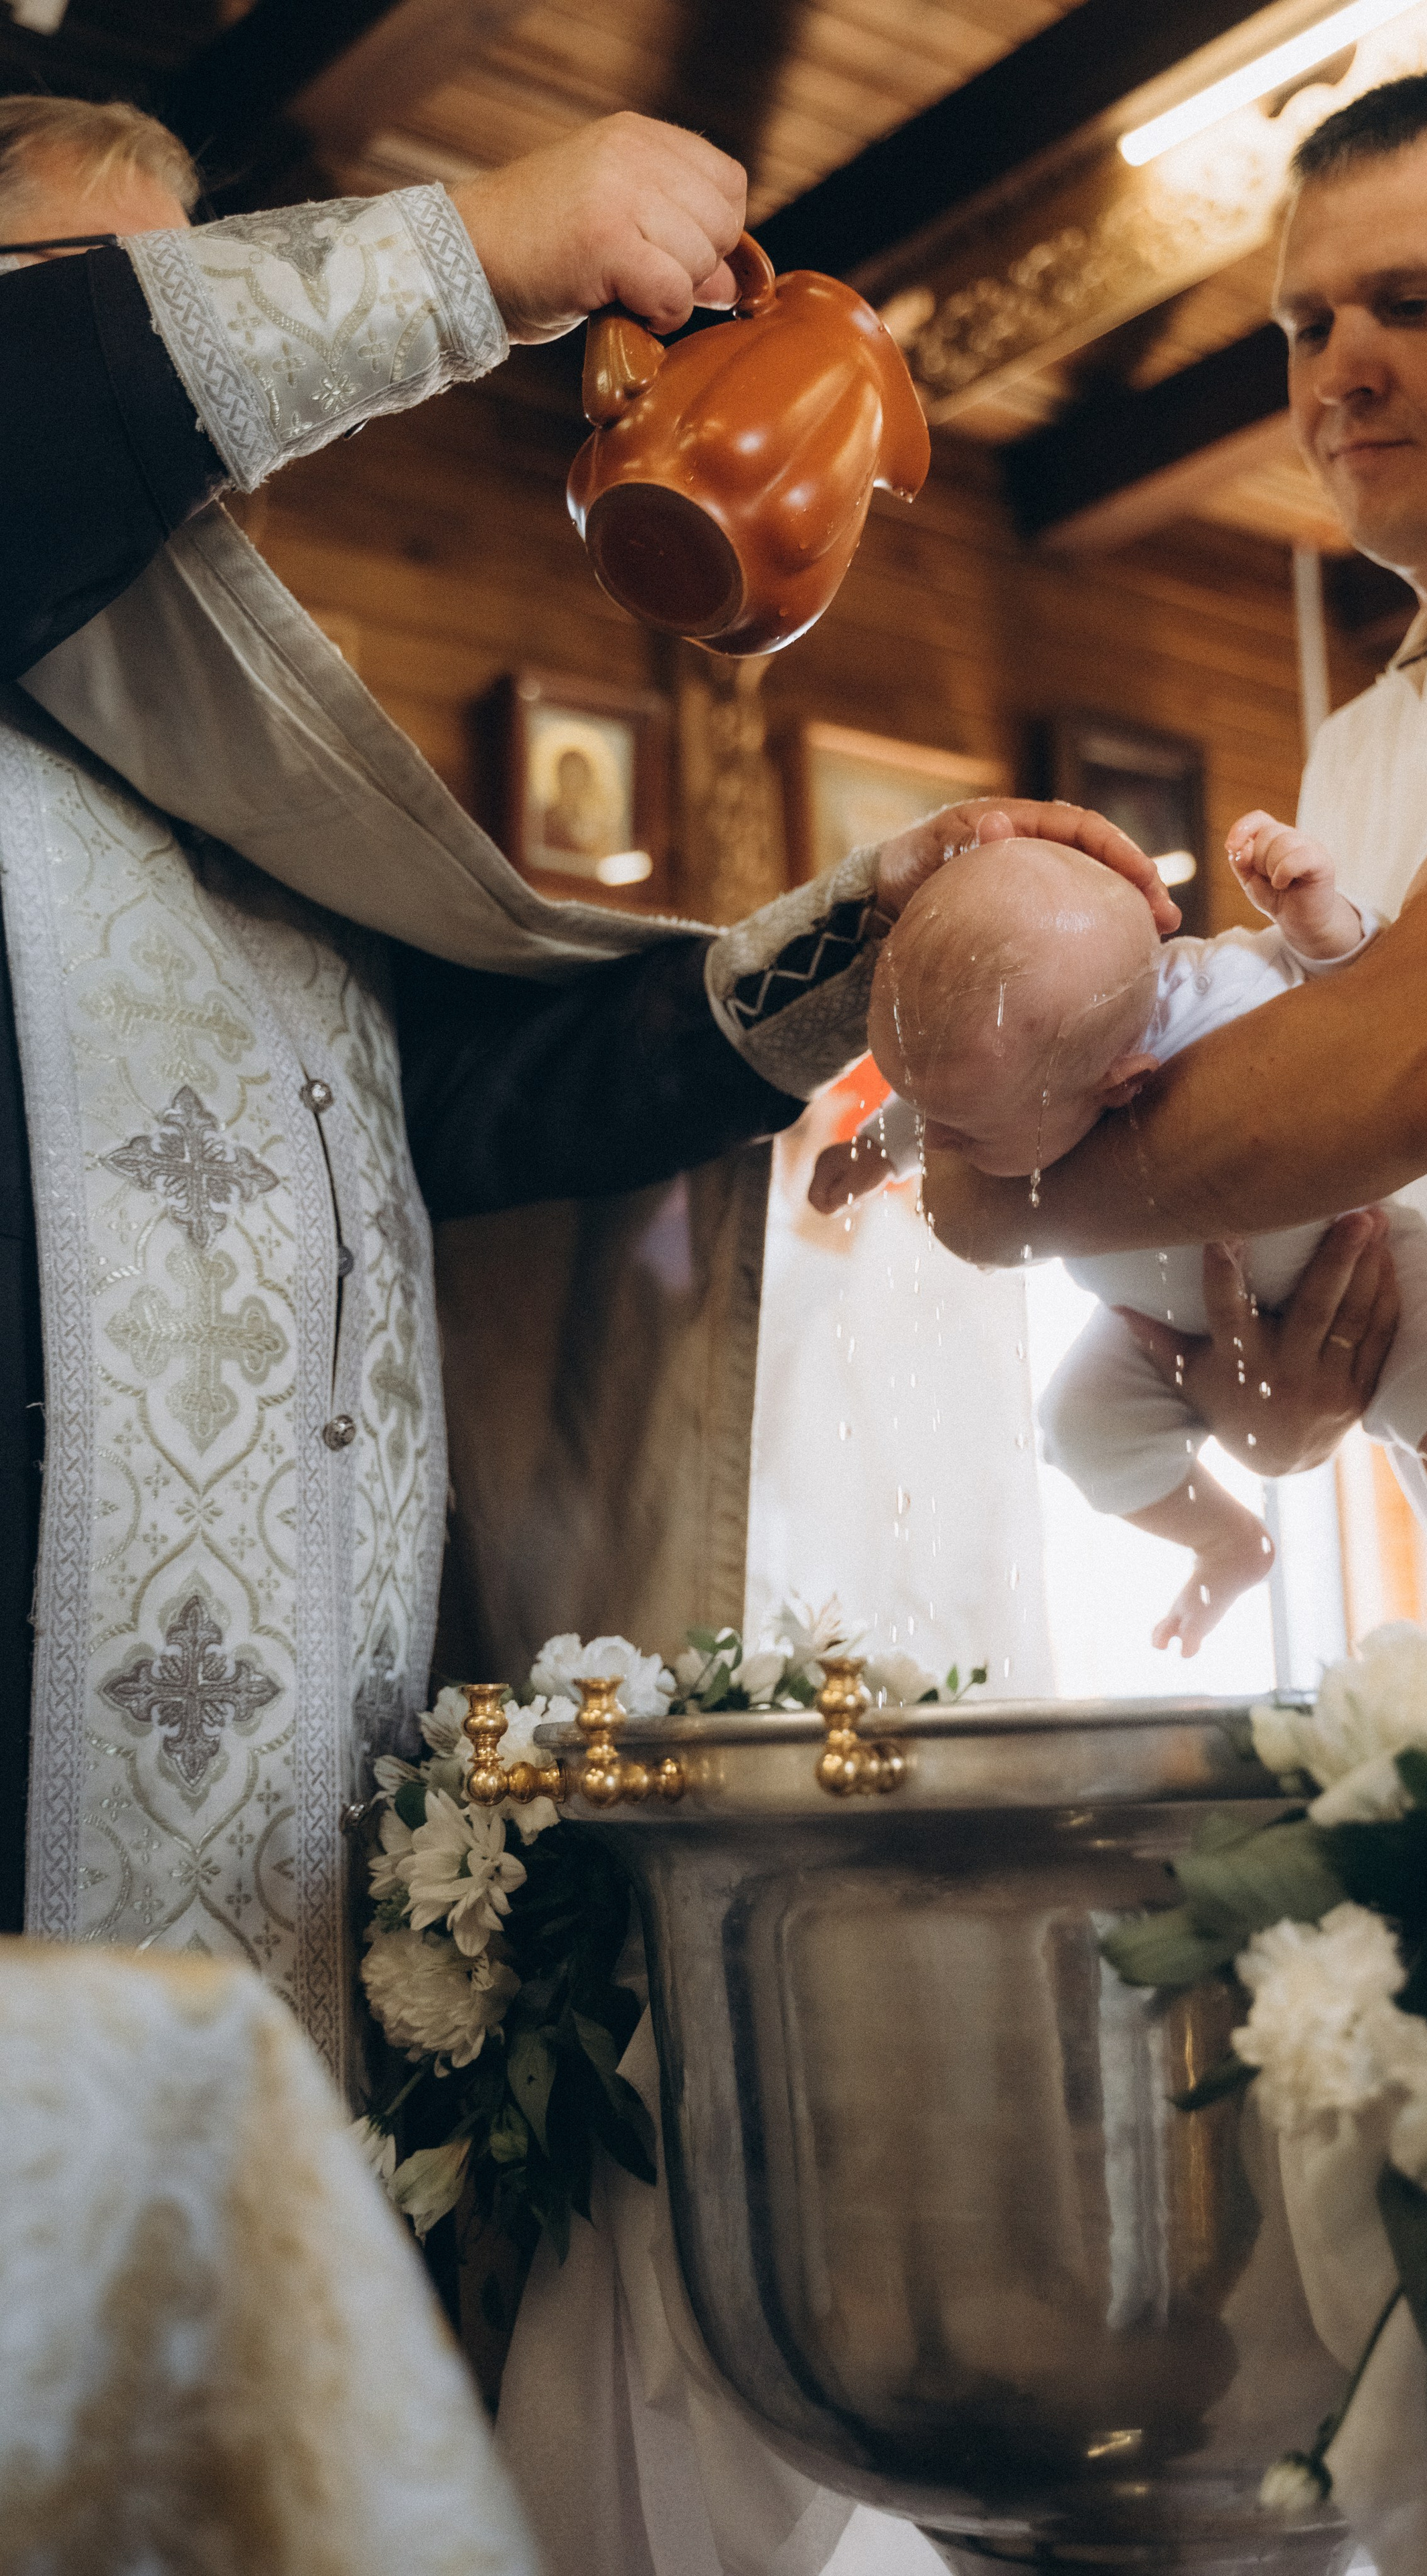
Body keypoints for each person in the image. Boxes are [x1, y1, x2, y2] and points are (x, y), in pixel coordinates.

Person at [0, 94, 1173, 2075]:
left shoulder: (245, 823)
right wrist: (468, 253)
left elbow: (478, 1113)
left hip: (296, 1897)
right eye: (111, 303)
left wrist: (859, 938)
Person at [923, 65, 1427, 1608]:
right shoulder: (1357, 743)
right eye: (1304, 323)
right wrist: (1286, 1390)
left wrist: (988, 1197)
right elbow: (1370, 1197)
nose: (1337, 368)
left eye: (1410, 303)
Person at [824, 825, 1427, 1650]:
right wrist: (868, 1152)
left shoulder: (1228, 988)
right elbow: (935, 1101)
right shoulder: (996, 1062)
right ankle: (1226, 1542)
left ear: (1120, 1087)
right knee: (1078, 1428)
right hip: (1152, 1326)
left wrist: (1320, 923)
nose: (943, 1145)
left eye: (962, 1130)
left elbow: (1373, 1000)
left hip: (1357, 1262)